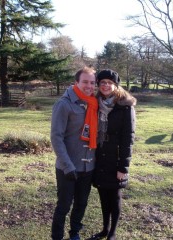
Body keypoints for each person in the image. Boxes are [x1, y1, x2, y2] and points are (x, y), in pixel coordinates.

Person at [50, 66, 98, 240]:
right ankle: (57, 237)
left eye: (92, 83)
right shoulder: (64, 104)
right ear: (76, 82)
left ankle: (75, 233)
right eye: (85, 82)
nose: (89, 86)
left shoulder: (94, 103)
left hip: (88, 166)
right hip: (68, 167)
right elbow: (56, 138)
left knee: (81, 203)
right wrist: (67, 166)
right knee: (63, 206)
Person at [88, 69, 136, 240]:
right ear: (99, 85)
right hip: (99, 156)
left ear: (115, 85)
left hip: (115, 158)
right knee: (103, 194)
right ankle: (104, 229)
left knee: (115, 197)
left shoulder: (125, 106)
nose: (106, 85)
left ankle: (113, 233)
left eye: (110, 82)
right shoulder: (94, 103)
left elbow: (128, 138)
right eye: (102, 82)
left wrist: (123, 165)